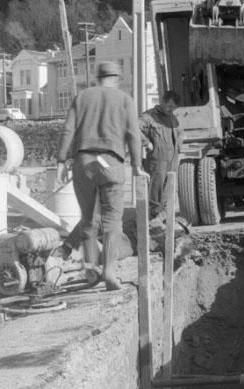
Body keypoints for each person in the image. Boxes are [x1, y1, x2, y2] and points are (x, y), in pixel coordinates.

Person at [56, 60, 147, 290]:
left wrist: (60, 161)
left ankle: (91, 270)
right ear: (117, 77)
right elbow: (133, 135)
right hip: (112, 162)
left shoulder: (82, 97)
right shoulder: (125, 100)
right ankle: (109, 271)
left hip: (83, 161)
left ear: (98, 77)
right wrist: (137, 166)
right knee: (112, 220)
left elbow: (68, 129)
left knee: (87, 219)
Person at [140, 90, 183, 219]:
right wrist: (147, 143)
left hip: (172, 163)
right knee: (155, 196)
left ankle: (163, 223)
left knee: (167, 195)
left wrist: (179, 147)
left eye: (174, 108)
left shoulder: (172, 118)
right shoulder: (148, 116)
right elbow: (133, 130)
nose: (171, 109)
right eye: (169, 106)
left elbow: (180, 132)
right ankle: (152, 223)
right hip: (157, 164)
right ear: (162, 102)